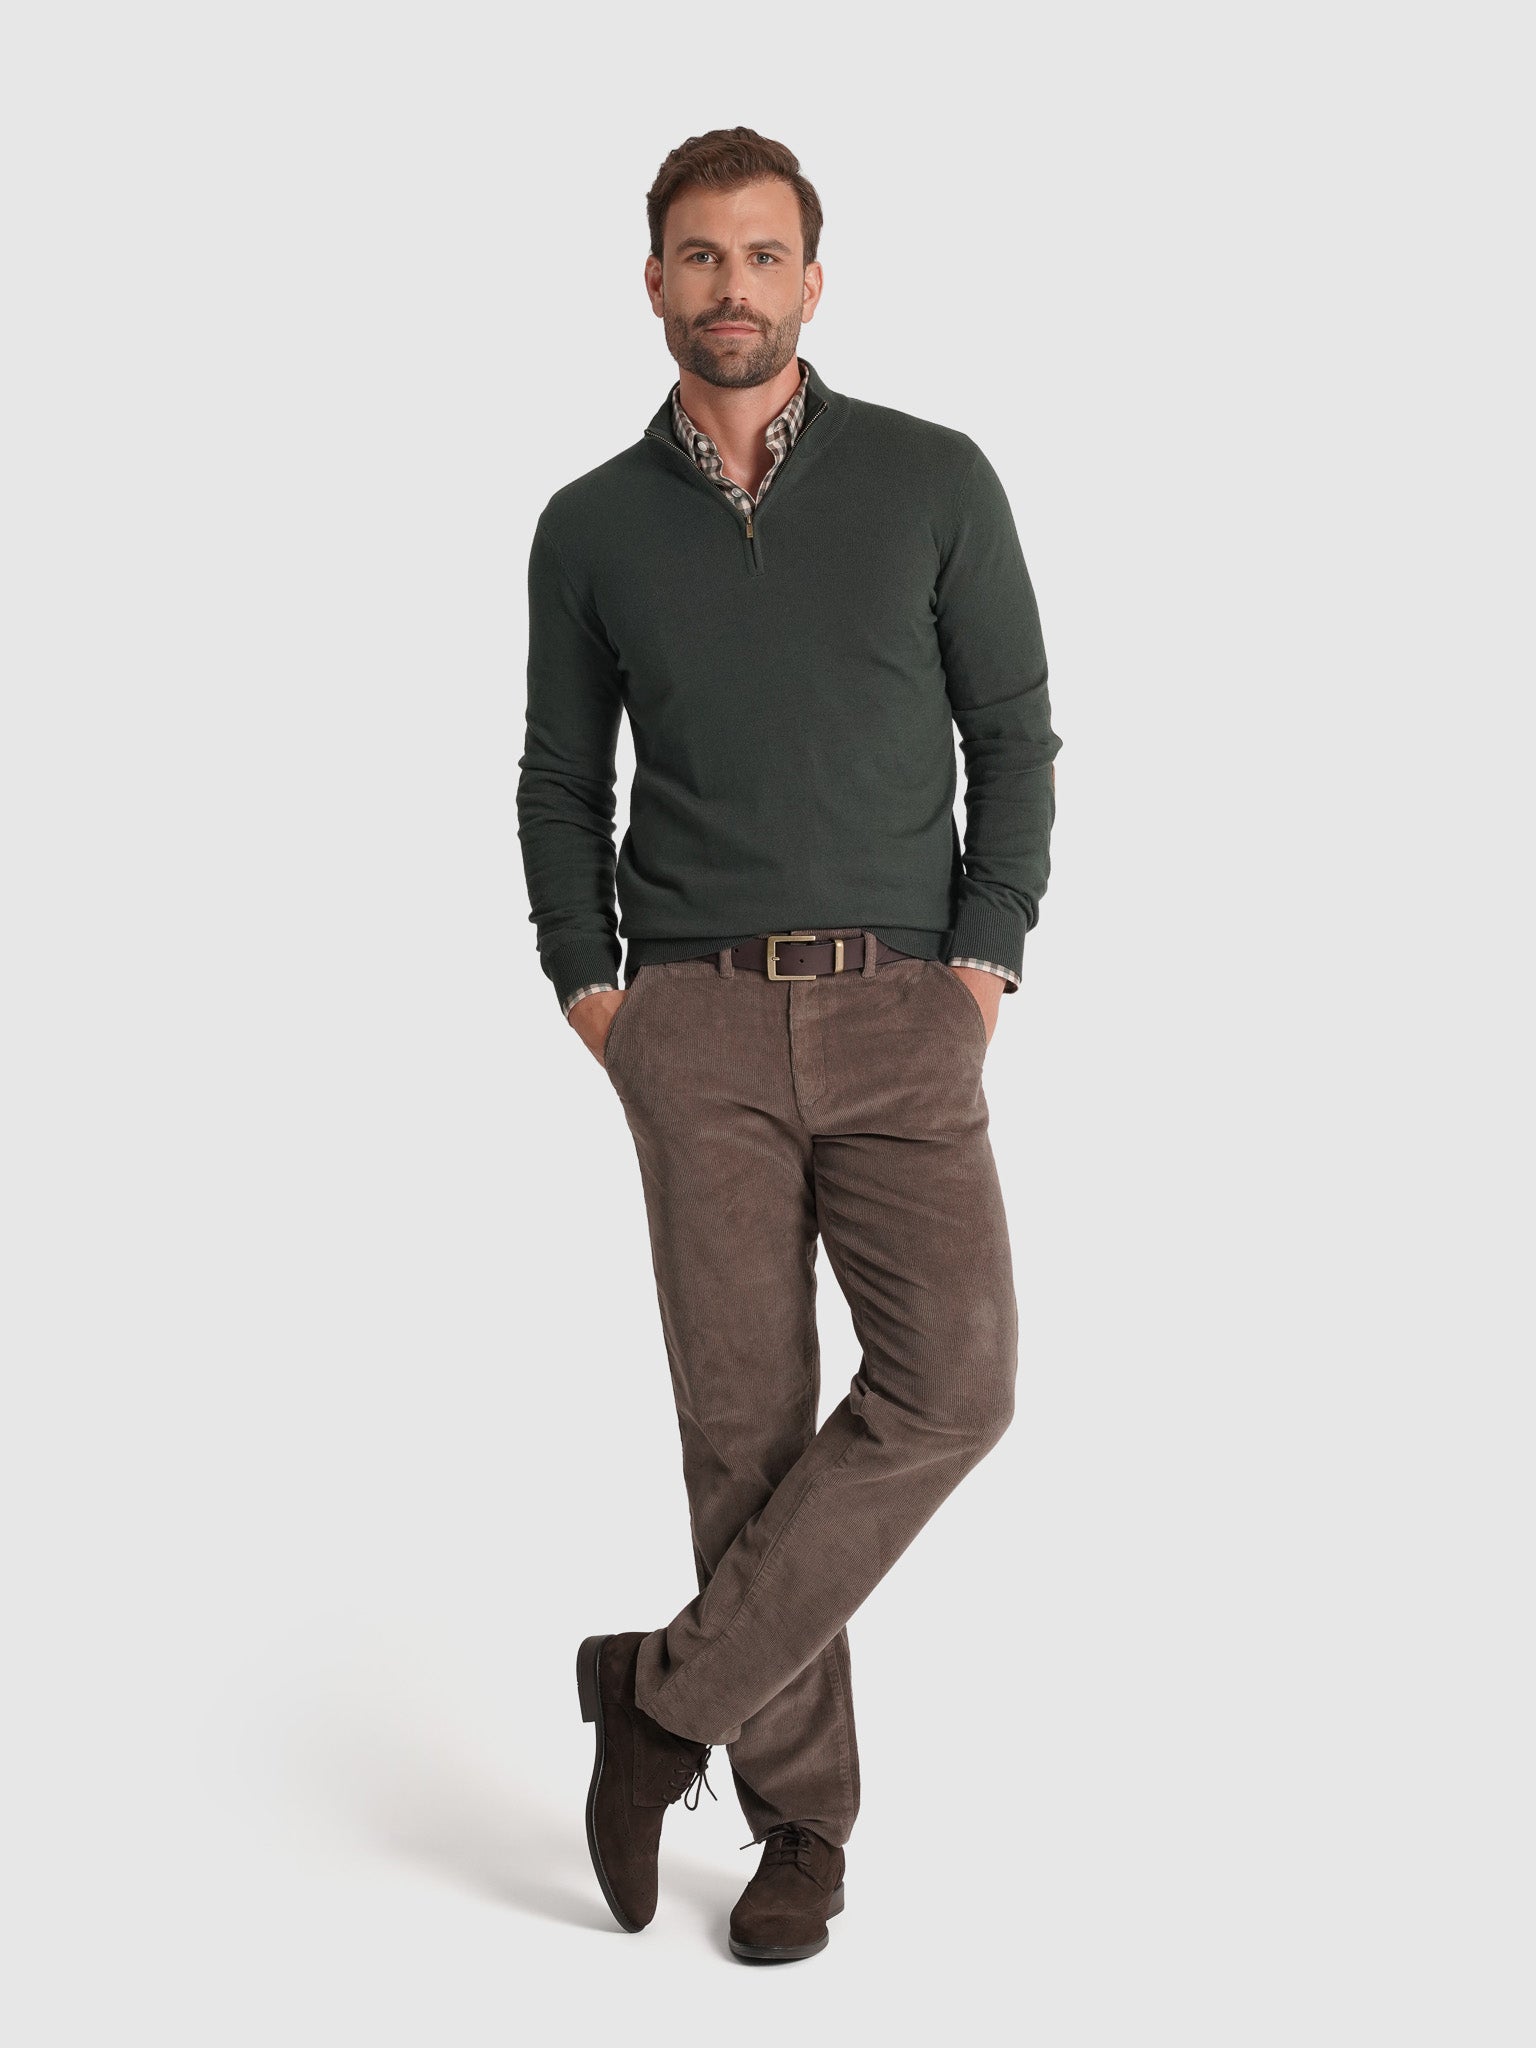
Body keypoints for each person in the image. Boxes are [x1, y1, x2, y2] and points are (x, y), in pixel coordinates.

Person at [517, 126, 1062, 1964]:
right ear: (653, 283)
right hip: (696, 1023)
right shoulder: (590, 525)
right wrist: (599, 1000)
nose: (731, 288)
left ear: (813, 280)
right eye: (700, 256)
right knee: (741, 1435)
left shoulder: (934, 479)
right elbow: (557, 780)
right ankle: (800, 1834)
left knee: (956, 1384)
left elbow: (1016, 736)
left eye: (763, 256)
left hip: (905, 1012)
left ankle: (659, 1697)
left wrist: (978, 970)